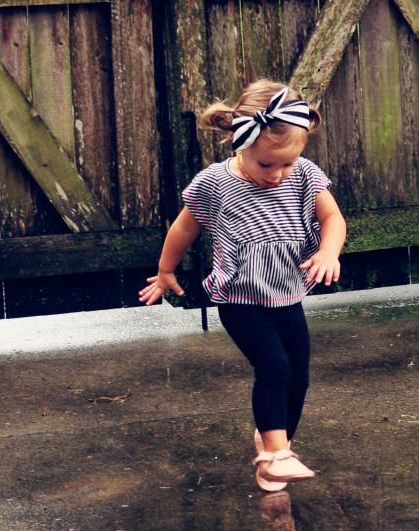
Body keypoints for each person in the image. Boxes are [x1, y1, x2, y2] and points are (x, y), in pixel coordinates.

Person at [139, 79, 347, 491]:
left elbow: (333, 219)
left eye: (288, 163)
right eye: (267, 165)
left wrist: (329, 252)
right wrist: (166, 271)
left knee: (299, 377)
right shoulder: (216, 183)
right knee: (274, 367)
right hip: (238, 296)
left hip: (286, 293)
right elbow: (184, 228)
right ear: (240, 144)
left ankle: (275, 440)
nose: (279, 174)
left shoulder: (304, 175)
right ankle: (275, 455)